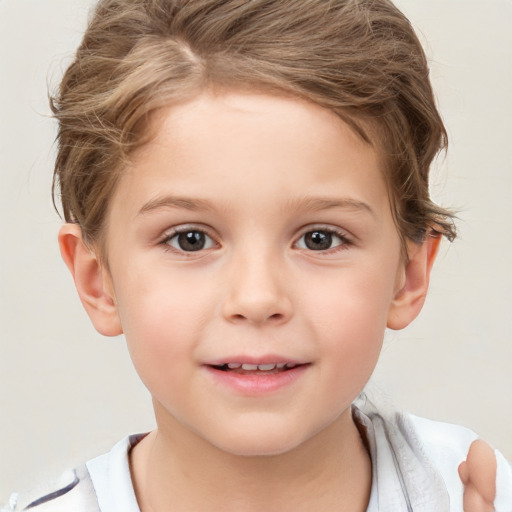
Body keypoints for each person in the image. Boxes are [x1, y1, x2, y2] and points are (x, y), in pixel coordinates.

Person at [2, 0, 510, 510]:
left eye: (320, 238)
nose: (257, 298)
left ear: (410, 274)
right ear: (98, 281)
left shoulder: (474, 489)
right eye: (190, 239)